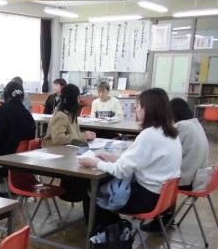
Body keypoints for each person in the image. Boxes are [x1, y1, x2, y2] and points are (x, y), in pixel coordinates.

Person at [78, 88, 182, 229]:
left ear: (147, 109)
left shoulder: (149, 135)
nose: (135, 110)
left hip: (146, 198)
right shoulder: (171, 133)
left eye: (138, 106)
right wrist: (113, 158)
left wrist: (95, 163)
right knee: (104, 186)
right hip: (162, 196)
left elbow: (121, 171)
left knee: (92, 192)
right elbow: (141, 161)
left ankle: (106, 235)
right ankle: (114, 228)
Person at [141, 97, 209, 232]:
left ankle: (160, 218)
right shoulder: (195, 123)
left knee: (151, 176)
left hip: (187, 178)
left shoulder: (180, 127)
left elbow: (163, 151)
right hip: (199, 176)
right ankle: (166, 216)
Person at [45, 83, 96, 214]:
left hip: (68, 152)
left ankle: (86, 199)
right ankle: (78, 195)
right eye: (78, 97)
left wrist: (85, 136)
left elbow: (74, 134)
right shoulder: (61, 115)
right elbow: (58, 139)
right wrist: (83, 136)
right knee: (84, 170)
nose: (79, 100)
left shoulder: (71, 114)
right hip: (55, 154)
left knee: (89, 164)